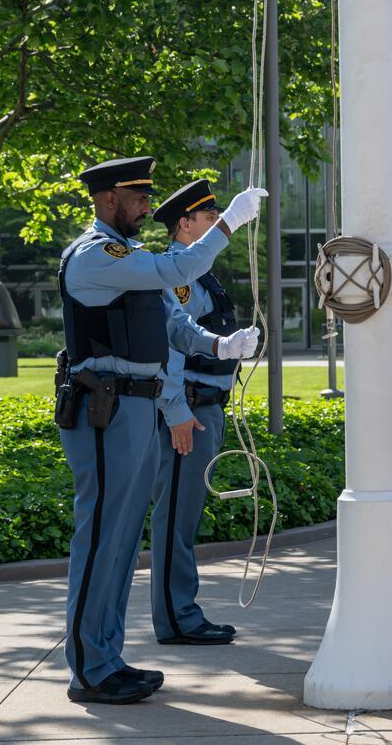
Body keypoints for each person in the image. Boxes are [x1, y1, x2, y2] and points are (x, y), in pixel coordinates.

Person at [56, 156, 266, 704]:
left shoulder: (128, 257)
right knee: (102, 538)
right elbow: (175, 273)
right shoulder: (95, 255)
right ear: (107, 200)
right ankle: (88, 669)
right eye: (137, 196)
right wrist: (228, 225)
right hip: (107, 409)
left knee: (122, 544)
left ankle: (107, 657)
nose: (147, 205)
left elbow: (172, 325)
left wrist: (220, 346)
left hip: (135, 409)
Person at [149, 179, 258, 647]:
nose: (216, 223)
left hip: (205, 406)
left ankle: (181, 611)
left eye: (217, 216)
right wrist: (175, 409)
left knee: (184, 515)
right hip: (189, 410)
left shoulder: (198, 271)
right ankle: (177, 618)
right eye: (208, 217)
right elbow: (170, 346)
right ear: (184, 224)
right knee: (176, 515)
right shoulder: (178, 274)